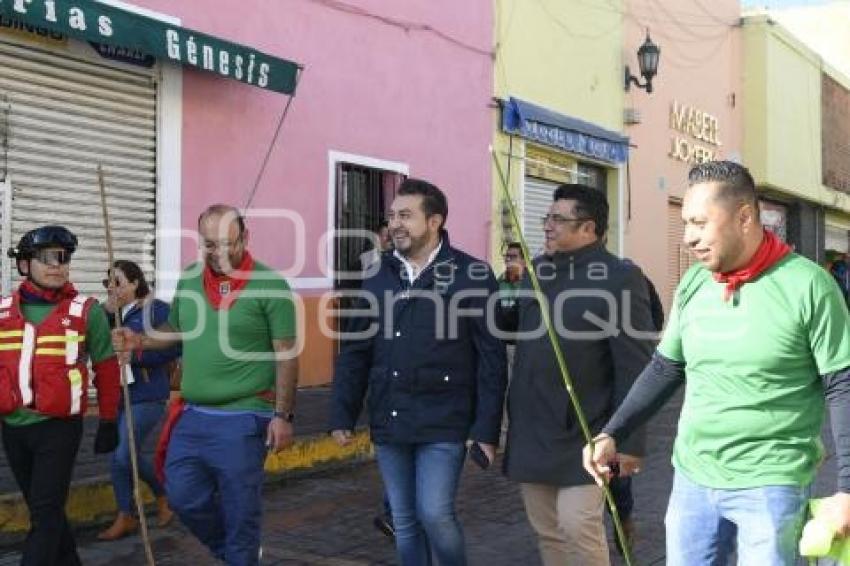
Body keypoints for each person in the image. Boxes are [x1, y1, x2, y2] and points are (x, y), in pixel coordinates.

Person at [584, 161, 850, 566]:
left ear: (744, 217)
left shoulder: (810, 286)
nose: (688, 237)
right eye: (685, 223)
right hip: (692, 478)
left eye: (699, 223)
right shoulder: (694, 283)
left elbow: (842, 386)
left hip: (771, 483)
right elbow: (666, 367)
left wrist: (848, 491)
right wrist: (613, 432)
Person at [330, 178, 507, 566]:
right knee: (405, 521)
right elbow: (356, 349)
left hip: (446, 420)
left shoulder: (471, 274)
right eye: (392, 215)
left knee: (434, 514)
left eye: (406, 216)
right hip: (390, 416)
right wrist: (342, 412)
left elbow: (491, 359)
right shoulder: (378, 275)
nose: (395, 223)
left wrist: (485, 430)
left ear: (434, 221)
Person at [113, 204, 299, 566]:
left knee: (240, 508)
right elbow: (175, 331)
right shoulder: (190, 279)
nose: (219, 253)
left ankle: (240, 556)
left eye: (227, 243)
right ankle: (234, 554)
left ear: (245, 237)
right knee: (182, 496)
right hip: (193, 414)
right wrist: (139, 340)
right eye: (210, 245)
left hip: (246, 413)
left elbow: (286, 355)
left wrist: (283, 415)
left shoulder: (270, 283)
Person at [502, 184, 655, 566]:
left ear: (588, 228)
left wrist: (629, 440)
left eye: (558, 219)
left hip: (587, 430)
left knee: (577, 527)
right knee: (547, 532)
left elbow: (635, 365)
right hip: (533, 426)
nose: (548, 226)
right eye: (547, 218)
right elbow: (511, 327)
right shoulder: (536, 271)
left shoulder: (620, 277)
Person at [0, 225, 120, 565]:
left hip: (59, 429)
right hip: (12, 427)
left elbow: (108, 369)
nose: (58, 264)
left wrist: (109, 418)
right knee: (45, 511)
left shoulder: (88, 312)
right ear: (24, 265)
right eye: (47, 257)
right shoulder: (2, 311)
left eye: (64, 257)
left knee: (45, 512)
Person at [97, 260, 181, 540]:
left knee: (124, 455)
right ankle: (130, 512)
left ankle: (153, 501)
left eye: (118, 282)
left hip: (147, 394)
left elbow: (174, 347)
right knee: (121, 455)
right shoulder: (115, 313)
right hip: (120, 395)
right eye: (108, 282)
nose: (112, 288)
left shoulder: (155, 310)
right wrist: (104, 312)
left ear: (135, 283)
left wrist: (136, 353)